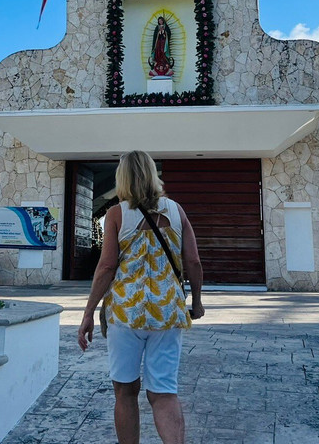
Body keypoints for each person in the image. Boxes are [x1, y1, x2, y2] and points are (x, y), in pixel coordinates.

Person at [78, 151, 204, 444]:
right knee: (164, 392)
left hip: (126, 314)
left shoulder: (117, 214)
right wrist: (196, 302)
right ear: (152, 174)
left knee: (125, 391)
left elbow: (106, 266)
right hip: (166, 313)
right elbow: (194, 262)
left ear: (122, 178)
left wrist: (88, 312)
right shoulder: (176, 211)